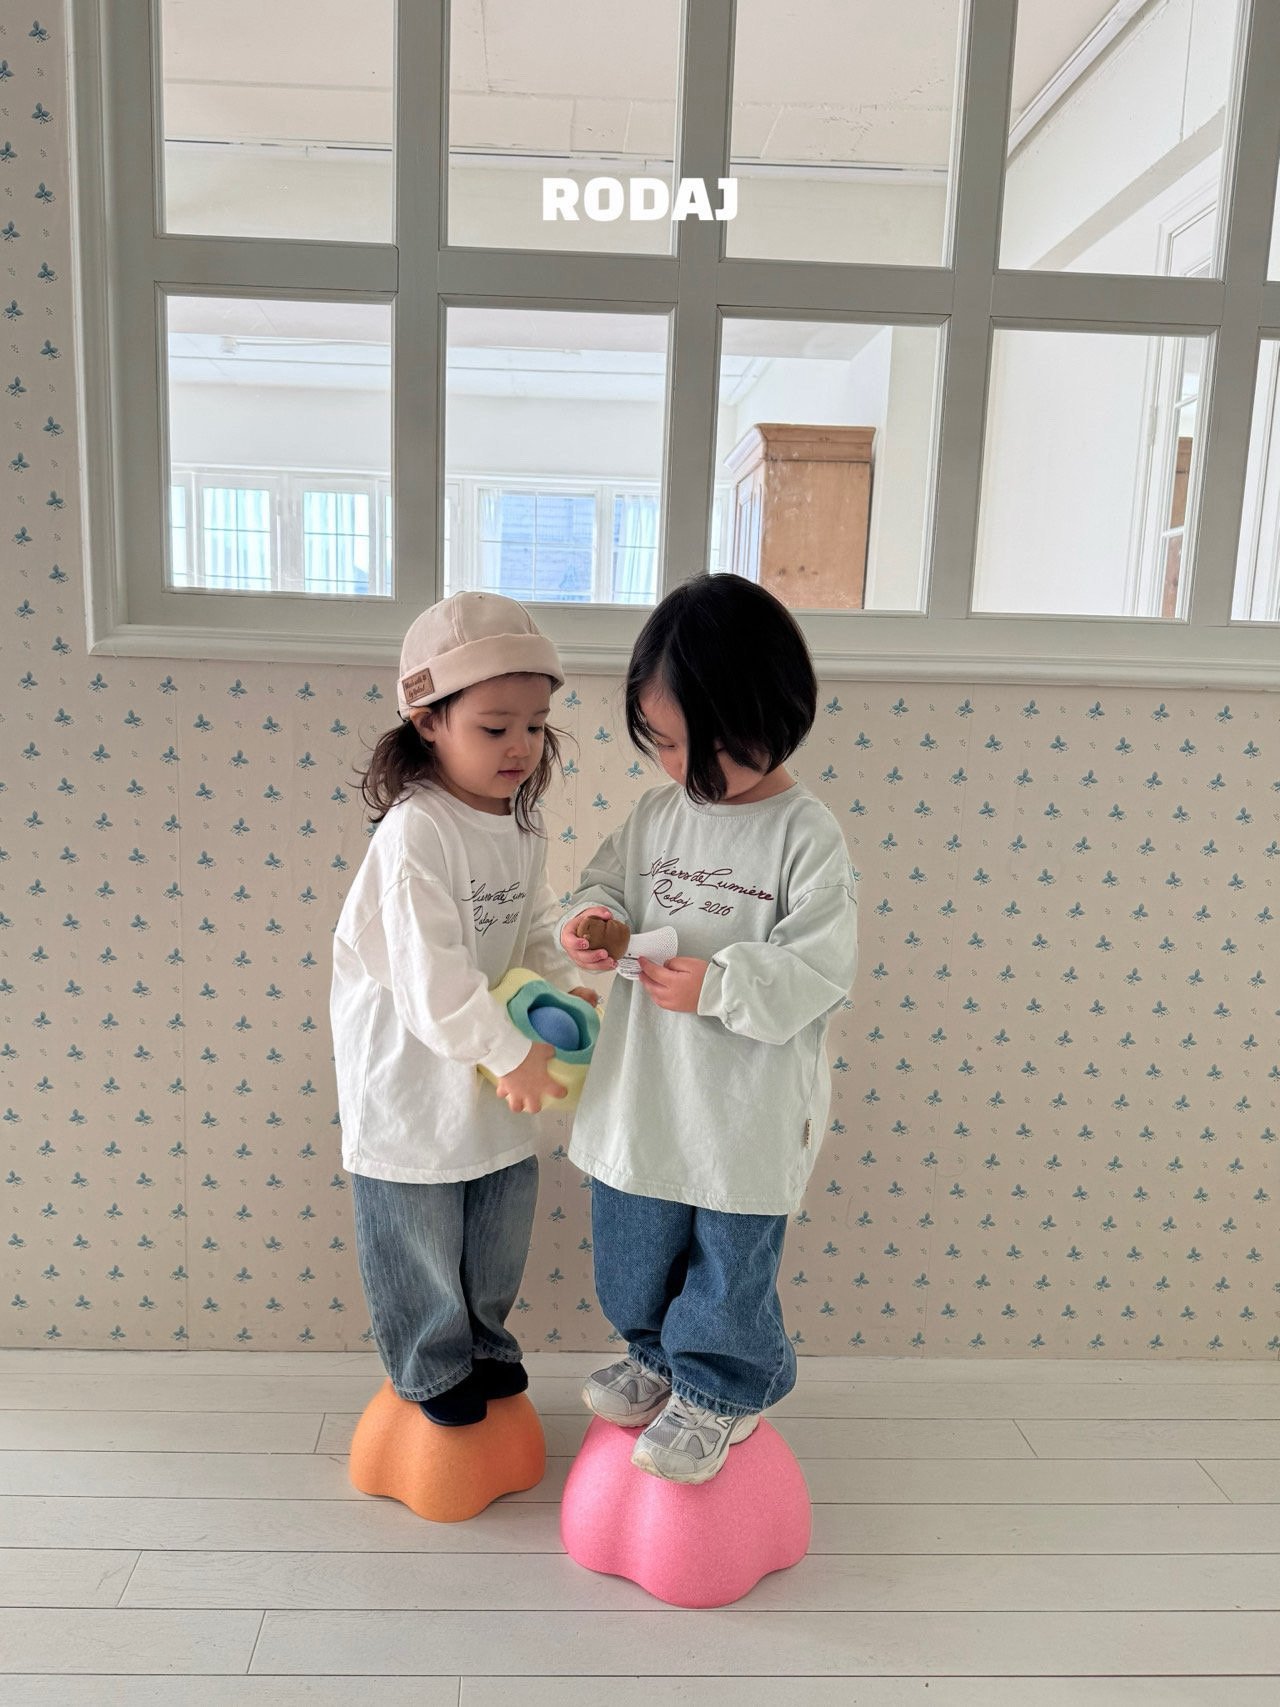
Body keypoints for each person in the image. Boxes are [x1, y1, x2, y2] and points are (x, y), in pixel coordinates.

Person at [561, 574, 858, 1484]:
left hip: (743, 1102)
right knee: (633, 1242)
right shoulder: (656, 817)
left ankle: (723, 1386)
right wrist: (593, 920)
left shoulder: (805, 834)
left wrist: (723, 984)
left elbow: (821, 969)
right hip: (647, 1085)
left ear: (775, 713)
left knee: (729, 1258)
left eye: (710, 745)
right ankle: (654, 1354)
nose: (684, 768)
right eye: (663, 742)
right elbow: (603, 884)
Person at [331, 591, 594, 1427]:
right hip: (413, 1072)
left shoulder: (519, 825)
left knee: (497, 1214)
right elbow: (431, 979)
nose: (520, 745)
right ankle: (432, 1362)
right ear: (428, 721)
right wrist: (509, 1052)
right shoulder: (417, 833)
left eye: (536, 725)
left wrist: (563, 988)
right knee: (418, 1226)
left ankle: (485, 1342)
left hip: (495, 1066)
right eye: (494, 726)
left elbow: (536, 924)